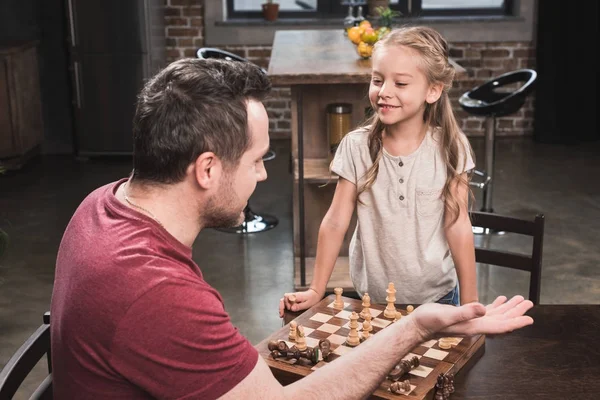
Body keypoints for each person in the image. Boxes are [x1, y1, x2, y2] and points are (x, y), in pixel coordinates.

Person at [50, 57, 534, 400]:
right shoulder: (156, 293)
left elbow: (198, 359)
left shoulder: (103, 205)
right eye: (258, 160)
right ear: (207, 169)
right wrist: (416, 324)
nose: (263, 175)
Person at [280, 25, 478, 317]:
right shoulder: (356, 146)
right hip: (372, 304)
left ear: (433, 90)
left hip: (439, 300)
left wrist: (471, 305)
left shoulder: (451, 147)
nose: (383, 92)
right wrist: (315, 289)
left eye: (400, 84)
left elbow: (458, 226)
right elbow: (335, 222)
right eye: (377, 80)